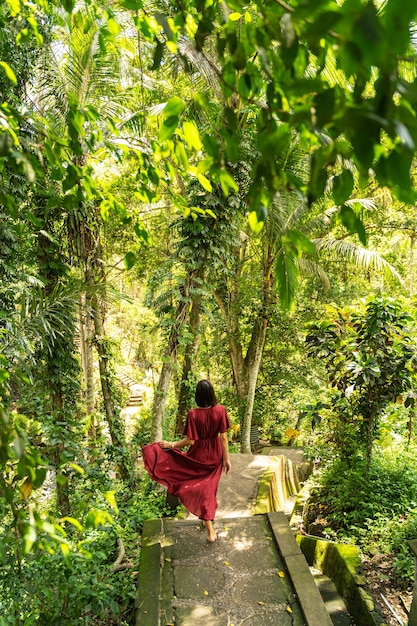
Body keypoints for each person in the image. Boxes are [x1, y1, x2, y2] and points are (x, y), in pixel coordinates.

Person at [142, 379, 231, 543]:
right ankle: (209, 524)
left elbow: (191, 441)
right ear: (212, 394)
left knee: (202, 488)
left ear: (197, 396)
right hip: (215, 455)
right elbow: (223, 438)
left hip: (198, 457)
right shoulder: (220, 410)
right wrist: (227, 459)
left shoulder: (193, 414)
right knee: (209, 489)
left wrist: (171, 445)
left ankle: (208, 524)